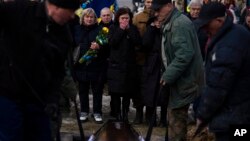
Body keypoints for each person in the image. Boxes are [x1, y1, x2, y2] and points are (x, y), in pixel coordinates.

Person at [0, 0, 80, 141]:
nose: (73, 16)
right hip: (8, 94)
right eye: (71, 10)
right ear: (56, 6)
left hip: (39, 100)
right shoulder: (20, 11)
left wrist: (53, 100)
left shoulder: (63, 34)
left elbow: (58, 73)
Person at [194, 2, 250, 140]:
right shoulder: (237, 33)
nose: (205, 29)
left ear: (219, 21)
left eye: (207, 24)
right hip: (239, 113)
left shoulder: (229, 44)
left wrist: (202, 115)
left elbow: (218, 85)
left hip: (234, 116)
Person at [152, 0, 204, 140]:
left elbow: (184, 55)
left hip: (185, 81)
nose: (156, 13)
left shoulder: (179, 23)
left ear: (169, 6)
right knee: (174, 118)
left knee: (176, 120)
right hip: (180, 79)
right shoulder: (172, 21)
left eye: (158, 9)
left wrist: (168, 75)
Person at [73, 8, 108, 124]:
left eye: (91, 17)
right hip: (81, 65)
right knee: (82, 90)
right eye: (87, 17)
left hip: (96, 65)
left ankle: (97, 112)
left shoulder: (101, 30)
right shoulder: (77, 29)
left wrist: (99, 47)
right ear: (83, 18)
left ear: (95, 19)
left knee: (97, 91)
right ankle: (84, 111)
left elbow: (107, 48)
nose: (89, 19)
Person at [107, 7, 141, 122]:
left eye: (127, 18)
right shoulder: (113, 28)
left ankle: (125, 114)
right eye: (122, 18)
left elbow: (138, 42)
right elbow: (112, 43)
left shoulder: (133, 29)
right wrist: (121, 30)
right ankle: (116, 114)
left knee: (127, 93)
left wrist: (129, 30)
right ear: (118, 19)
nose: (125, 20)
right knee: (115, 94)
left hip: (129, 67)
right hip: (116, 67)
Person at [132, 0, 152, 124]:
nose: (150, 4)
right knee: (138, 88)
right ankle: (138, 113)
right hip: (139, 58)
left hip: (154, 59)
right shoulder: (137, 17)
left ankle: (150, 114)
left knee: (151, 88)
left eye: (152, 1)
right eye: (148, 1)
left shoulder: (160, 16)